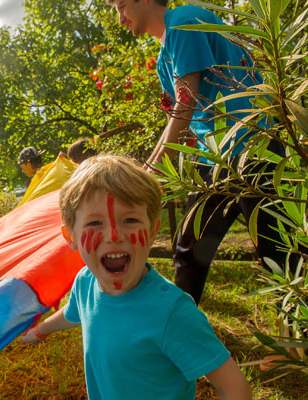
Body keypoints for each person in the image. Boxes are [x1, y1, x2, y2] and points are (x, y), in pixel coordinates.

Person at [21, 154, 252, 399]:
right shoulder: (86, 282)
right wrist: (41, 330)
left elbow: (234, 387)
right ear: (71, 238)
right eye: (95, 223)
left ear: (153, 231)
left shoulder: (172, 313)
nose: (113, 235)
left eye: (130, 220)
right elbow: (73, 313)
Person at [108, 0, 293, 304]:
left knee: (276, 250)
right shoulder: (162, 60)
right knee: (190, 248)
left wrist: (149, 173)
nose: (120, 18)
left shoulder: (183, 20)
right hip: (216, 159)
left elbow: (186, 104)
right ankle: (178, 329)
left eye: (121, 5)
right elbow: (178, 119)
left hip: (253, 147)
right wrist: (147, 171)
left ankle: (297, 340)